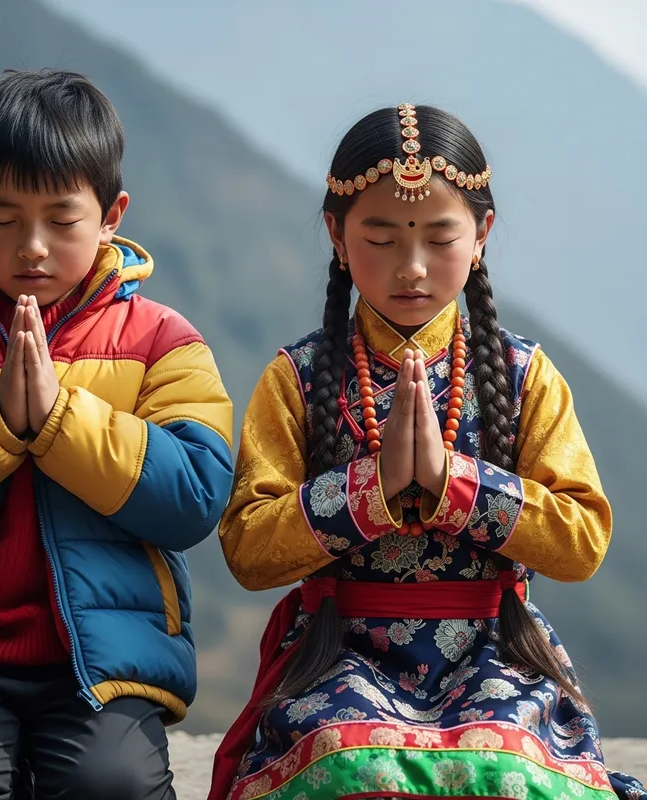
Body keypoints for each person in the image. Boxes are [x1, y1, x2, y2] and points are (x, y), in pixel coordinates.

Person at [209, 104, 645, 800]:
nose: (410, 268)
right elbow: (248, 549)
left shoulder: (525, 375)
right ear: (337, 236)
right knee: (351, 761)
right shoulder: (297, 378)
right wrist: (371, 488)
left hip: (494, 652)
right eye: (380, 238)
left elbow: (583, 539)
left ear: (482, 236)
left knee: (505, 770)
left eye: (440, 238)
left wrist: (454, 483)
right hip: (340, 654)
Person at [0, 68, 233, 800]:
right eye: (2, 218)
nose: (32, 247)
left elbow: (193, 496)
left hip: (105, 661)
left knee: (113, 785)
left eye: (61, 220)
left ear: (111, 215)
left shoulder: (164, 342)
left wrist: (61, 421)